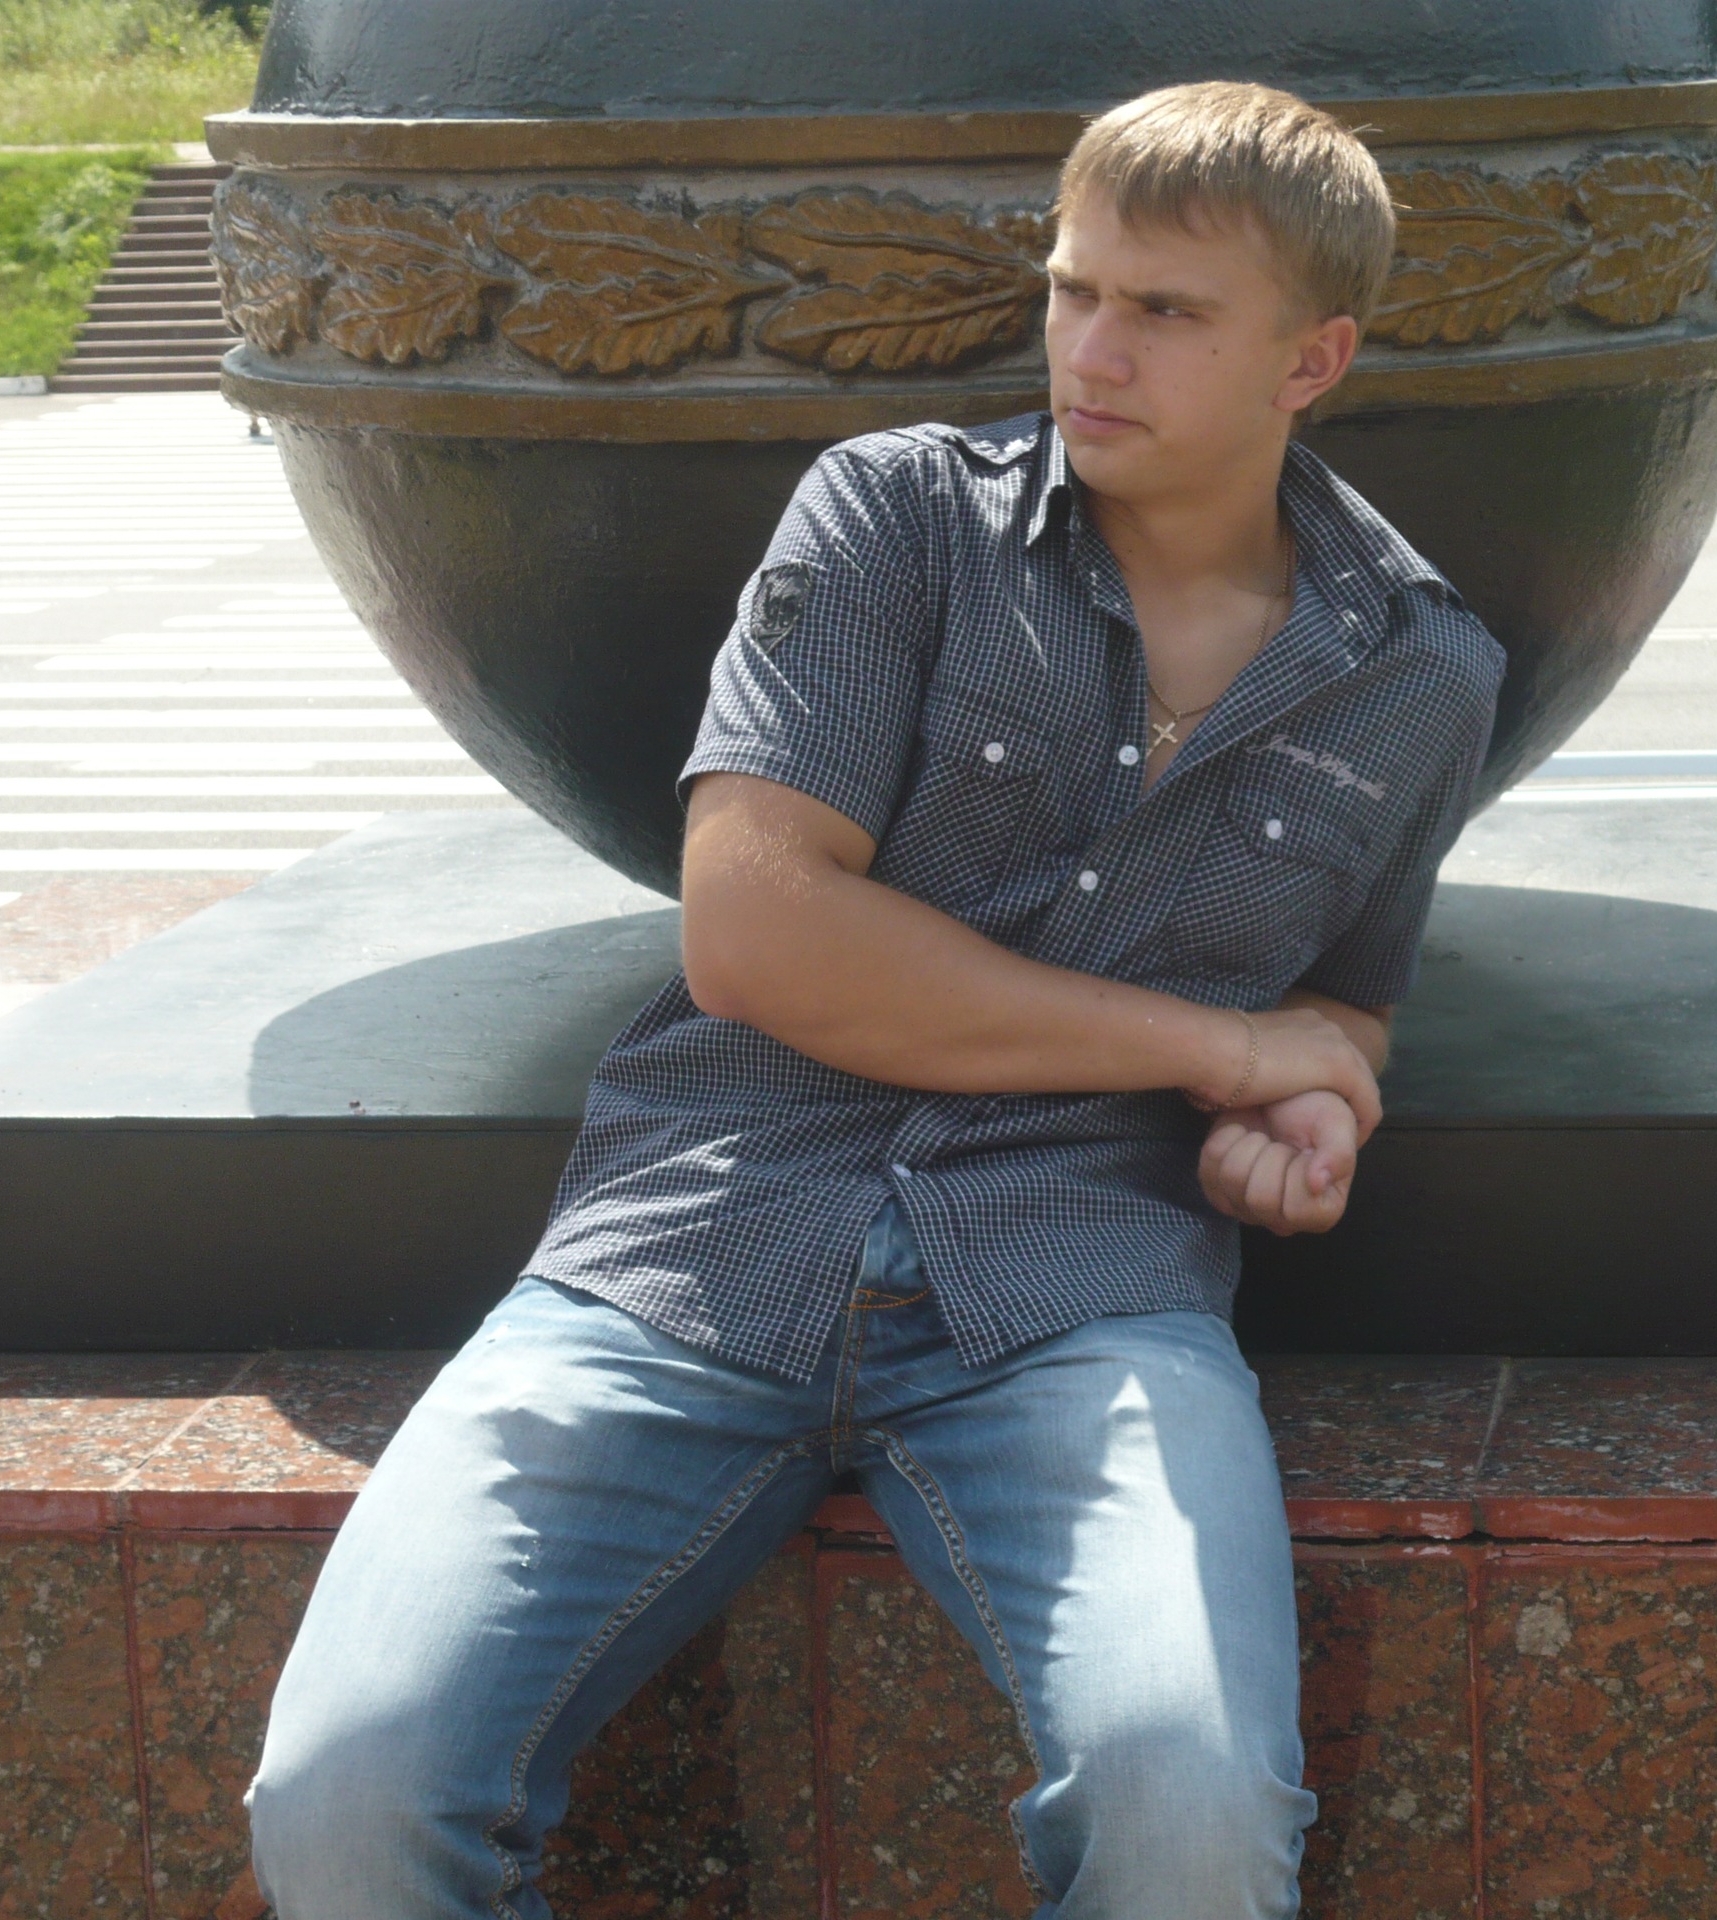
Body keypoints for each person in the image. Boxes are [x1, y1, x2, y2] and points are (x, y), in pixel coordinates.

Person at [245, 79, 1504, 1920]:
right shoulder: (897, 517)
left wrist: (1305, 1110)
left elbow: (1345, 1006)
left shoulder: (1419, 669)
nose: (1093, 350)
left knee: (1192, 1811)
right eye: (1075, 290)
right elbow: (758, 937)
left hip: (1079, 1289)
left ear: (1311, 360)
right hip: (697, 1241)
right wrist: (1225, 1050)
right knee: (345, 1797)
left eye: (1167, 311)